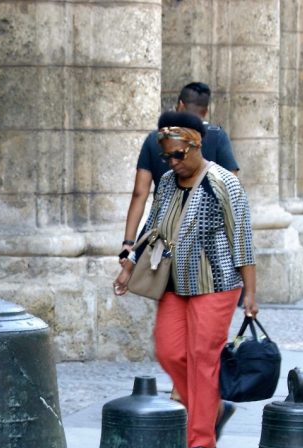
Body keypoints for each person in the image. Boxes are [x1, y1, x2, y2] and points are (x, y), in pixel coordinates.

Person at [113, 111, 257, 448]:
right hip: (175, 282)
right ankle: (212, 407)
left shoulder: (223, 182)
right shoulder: (166, 183)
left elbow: (243, 239)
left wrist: (250, 293)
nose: (172, 162)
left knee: (202, 357)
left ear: (196, 145)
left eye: (178, 154)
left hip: (217, 282)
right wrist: (129, 263)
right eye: (166, 156)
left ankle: (201, 438)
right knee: (169, 351)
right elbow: (154, 225)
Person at [121, 82, 240, 406]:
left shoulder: (153, 140)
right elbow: (234, 195)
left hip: (171, 256)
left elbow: (140, 195)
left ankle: (194, 403)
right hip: (207, 259)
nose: (173, 161)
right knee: (189, 342)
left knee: (184, 344)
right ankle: (197, 400)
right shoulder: (217, 137)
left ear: (179, 104)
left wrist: (128, 248)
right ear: (206, 111)